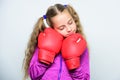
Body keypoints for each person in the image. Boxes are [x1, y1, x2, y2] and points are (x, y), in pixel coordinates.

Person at [22, 4, 90, 80]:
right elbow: (34, 75)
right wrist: (45, 56)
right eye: (62, 28)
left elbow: (84, 78)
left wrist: (73, 63)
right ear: (52, 28)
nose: (69, 29)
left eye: (70, 23)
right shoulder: (44, 44)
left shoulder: (81, 45)